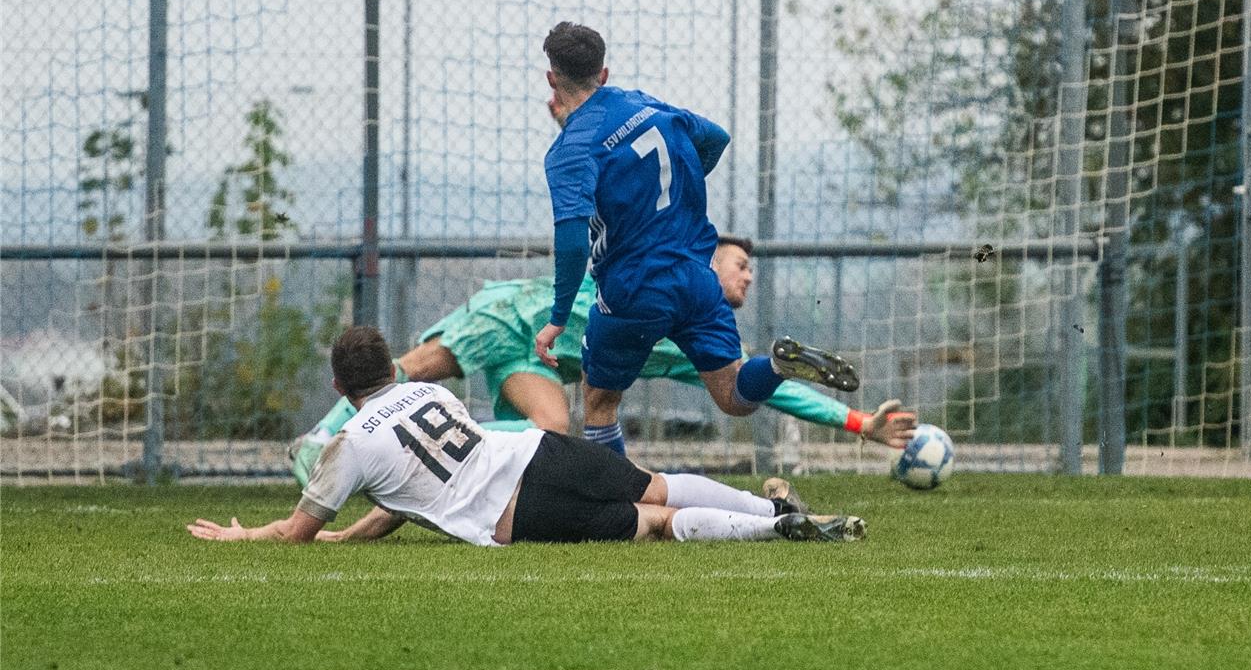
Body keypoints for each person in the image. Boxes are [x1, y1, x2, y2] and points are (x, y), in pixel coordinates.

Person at [289, 236, 916, 485]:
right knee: (395, 376)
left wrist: (858, 423)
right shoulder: (669, 279)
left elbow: (759, 392)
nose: (748, 277)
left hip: (537, 355)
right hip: (507, 319)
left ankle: (435, 450)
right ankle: (318, 443)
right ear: (709, 261)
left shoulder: (691, 326)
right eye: (739, 264)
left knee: (546, 434)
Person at [190, 326, 866, 546]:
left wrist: (244, 535)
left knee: (654, 523)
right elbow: (402, 496)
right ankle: (774, 507)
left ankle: (775, 532)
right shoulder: (430, 391)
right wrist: (351, 534)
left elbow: (295, 531)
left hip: (516, 509)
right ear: (392, 366)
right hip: (536, 449)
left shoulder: (349, 446)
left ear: (340, 390)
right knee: (658, 482)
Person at [532, 21, 865, 456]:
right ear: (605, 73)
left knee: (599, 400)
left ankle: (618, 504)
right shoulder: (644, 105)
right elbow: (715, 137)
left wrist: (558, 317)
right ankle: (779, 365)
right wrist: (672, 190)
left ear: (551, 78)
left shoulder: (568, 152)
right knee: (734, 396)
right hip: (696, 276)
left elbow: (574, 241)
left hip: (633, 288)